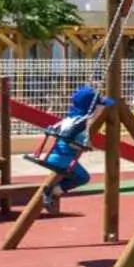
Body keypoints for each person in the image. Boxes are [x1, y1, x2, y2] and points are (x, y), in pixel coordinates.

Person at [29, 85, 109, 215]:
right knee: (83, 178)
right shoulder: (81, 124)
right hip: (63, 160)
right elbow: (74, 142)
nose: (102, 109)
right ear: (92, 108)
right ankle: (51, 192)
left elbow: (61, 133)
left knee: (67, 176)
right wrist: (87, 146)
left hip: (53, 156)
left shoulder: (69, 119)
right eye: (100, 106)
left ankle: (51, 192)